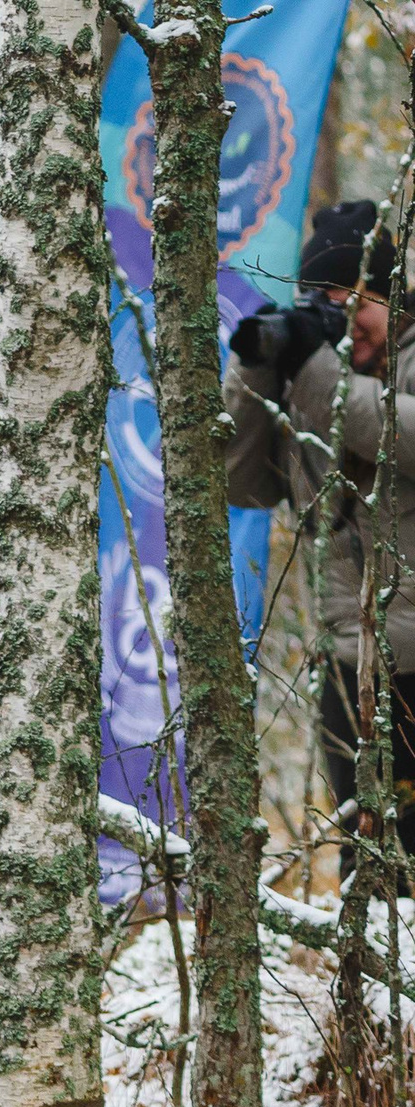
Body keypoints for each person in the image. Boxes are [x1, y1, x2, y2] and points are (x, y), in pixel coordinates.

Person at [227, 201, 415, 858]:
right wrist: (259, 369)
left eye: (354, 301)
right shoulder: (316, 380)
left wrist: (313, 370)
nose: (342, 321)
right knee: (373, 867)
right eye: (323, 303)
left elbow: (398, 432)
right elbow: (243, 483)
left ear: (392, 297)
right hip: (347, 668)